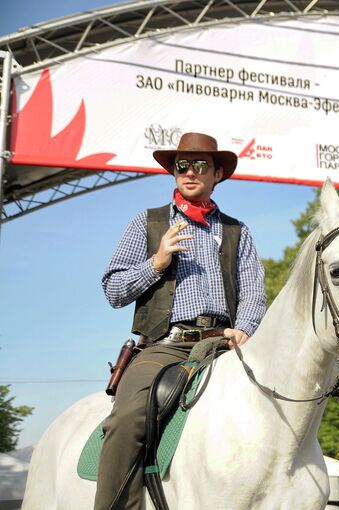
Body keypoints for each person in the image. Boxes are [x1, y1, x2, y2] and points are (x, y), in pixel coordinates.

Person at [94, 132, 267, 509]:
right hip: (165, 345)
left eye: (200, 165)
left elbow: (254, 291)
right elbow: (113, 290)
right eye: (182, 165)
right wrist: (156, 263)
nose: (190, 172)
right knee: (126, 419)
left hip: (224, 344)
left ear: (218, 173)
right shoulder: (147, 222)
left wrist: (246, 328)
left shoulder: (239, 231)